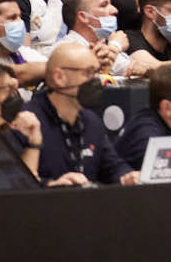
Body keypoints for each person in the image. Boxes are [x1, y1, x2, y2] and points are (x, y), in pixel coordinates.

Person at [24, 44, 138, 185]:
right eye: (88, 73)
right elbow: (15, 183)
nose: (97, 80)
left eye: (97, 72)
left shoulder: (91, 121)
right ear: (59, 77)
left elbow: (113, 167)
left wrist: (127, 176)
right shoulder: (28, 122)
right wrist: (51, 185)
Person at [54, 0, 132, 77]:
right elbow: (81, 82)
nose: (115, 10)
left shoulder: (105, 46)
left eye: (110, 4)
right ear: (83, 17)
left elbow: (135, 69)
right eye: (104, 5)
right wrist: (115, 47)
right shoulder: (63, 50)